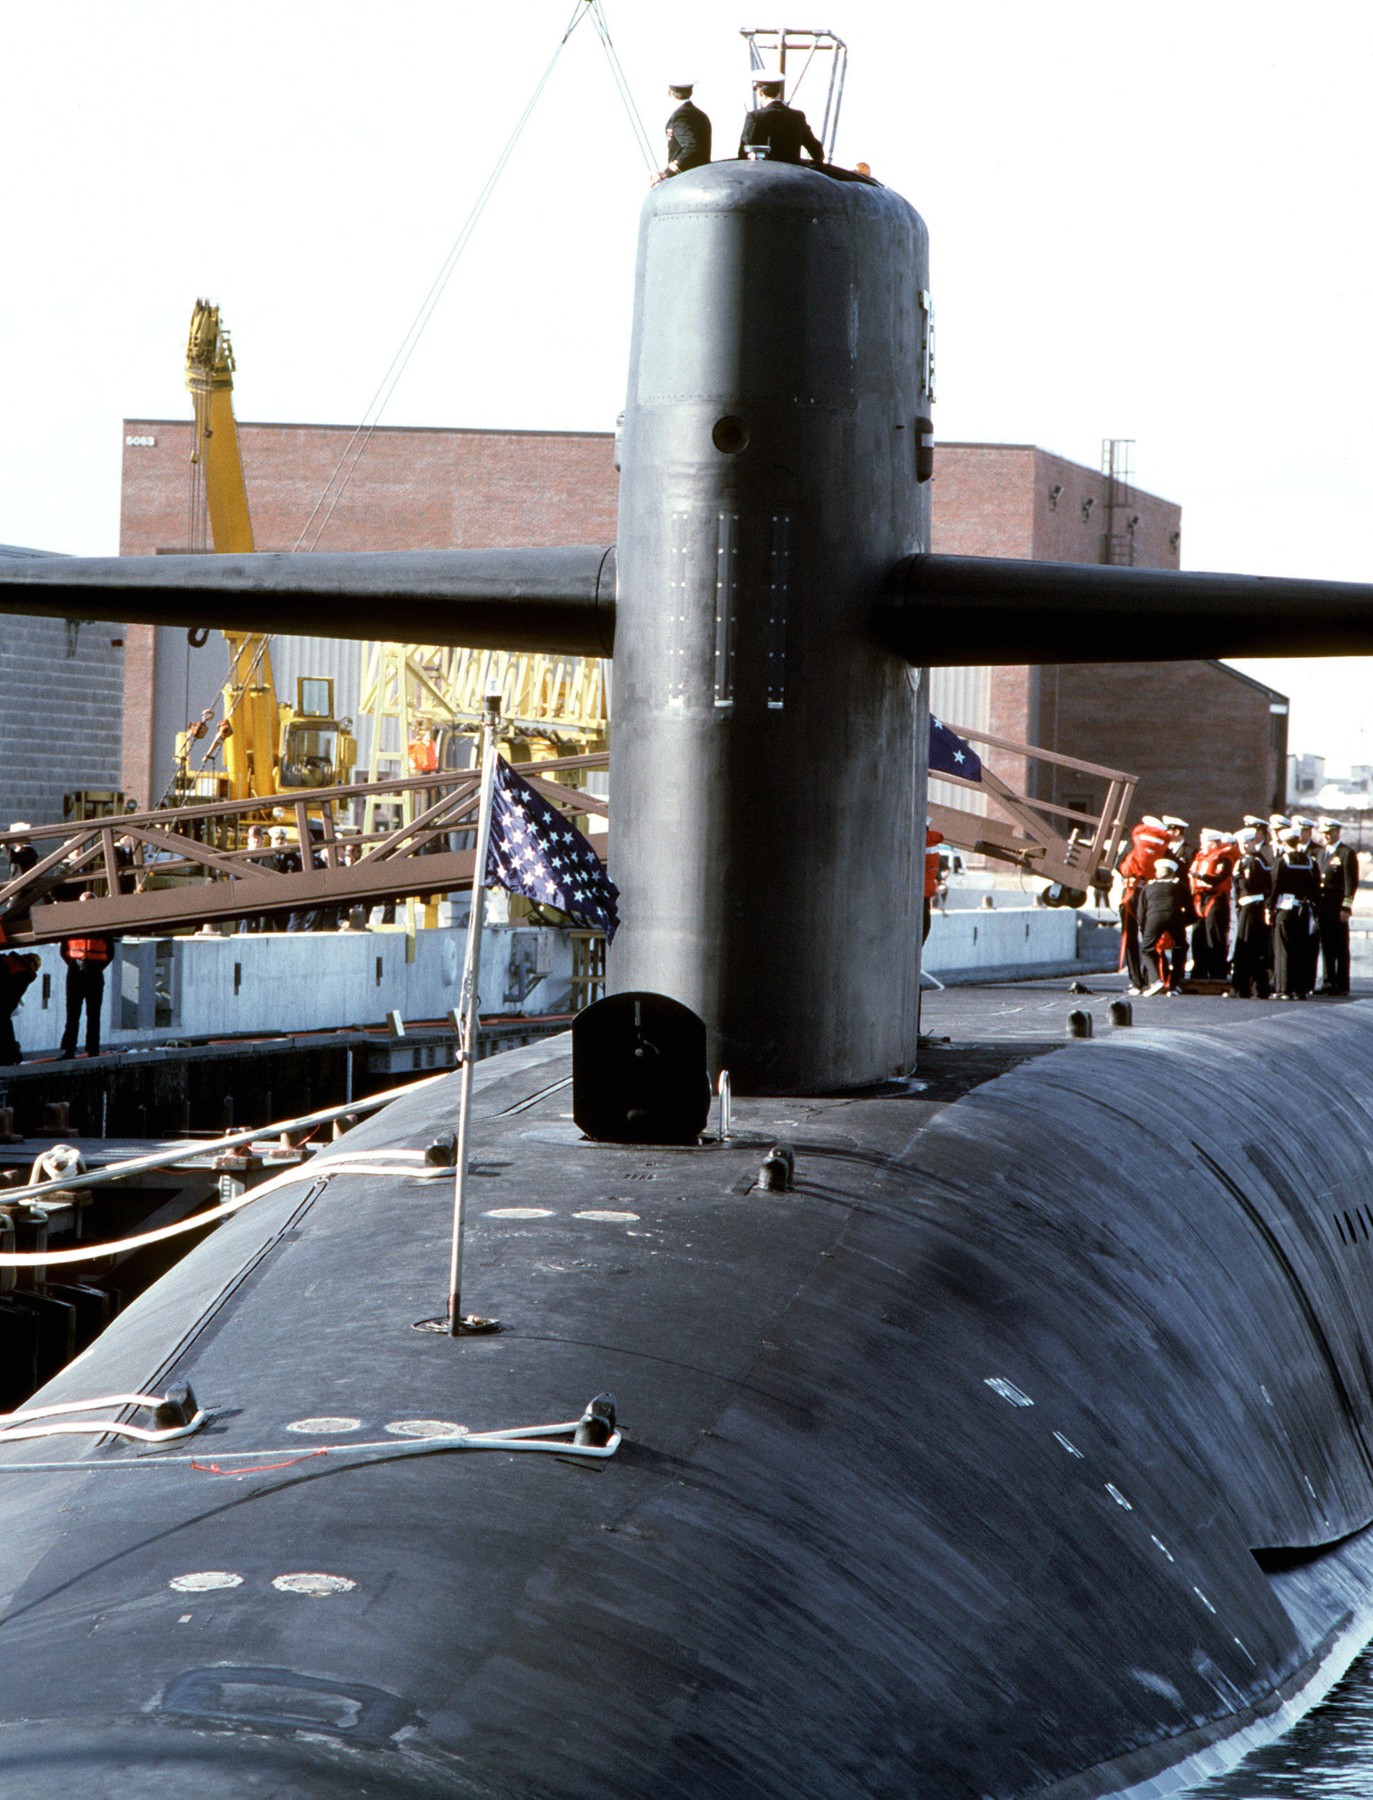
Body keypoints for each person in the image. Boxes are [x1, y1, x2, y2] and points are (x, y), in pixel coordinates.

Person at [1116, 816, 1167, 993]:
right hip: (1151, 893)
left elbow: (1118, 864)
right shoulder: (1162, 846)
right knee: (1150, 937)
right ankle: (1151, 977)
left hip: (1130, 892)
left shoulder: (1135, 842)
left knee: (1129, 937)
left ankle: (1135, 981)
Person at [59, 893, 112, 1058]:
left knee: (93, 1013)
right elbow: (63, 950)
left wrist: (95, 966)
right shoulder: (71, 922)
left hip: (94, 971)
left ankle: (93, 1049)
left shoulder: (104, 925)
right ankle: (69, 1050)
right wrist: (75, 965)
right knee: (72, 1013)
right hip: (76, 969)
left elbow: (110, 953)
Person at [1270, 829, 1320, 1000]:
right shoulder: (1310, 861)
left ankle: (1283, 988)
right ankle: (1299, 989)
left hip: (1286, 909)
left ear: (1284, 843)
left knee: (1283, 948)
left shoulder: (1282, 861)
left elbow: (1275, 887)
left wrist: (1269, 908)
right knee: (1300, 949)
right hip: (1304, 909)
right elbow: (1315, 888)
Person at [738, 71, 825, 165]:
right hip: (792, 174)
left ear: (760, 93)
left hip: (764, 173)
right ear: (778, 92)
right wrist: (818, 159)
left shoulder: (754, 117)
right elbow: (816, 151)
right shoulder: (798, 117)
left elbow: (743, 152)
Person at [1316, 818, 1359, 994]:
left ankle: (1342, 985)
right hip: (1323, 906)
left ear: (1337, 832)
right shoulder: (1321, 854)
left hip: (1337, 907)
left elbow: (1351, 883)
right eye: (1324, 833)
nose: (1326, 836)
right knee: (1326, 946)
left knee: (1340, 946)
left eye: (1329, 832)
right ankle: (1328, 982)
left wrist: (1346, 907)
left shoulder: (1346, 854)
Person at [1229, 828, 1272, 998]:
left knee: (1246, 947)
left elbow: (1247, 886)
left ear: (1253, 842)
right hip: (1250, 906)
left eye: (1247, 843)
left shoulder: (1253, 862)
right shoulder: (1252, 860)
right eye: (1241, 843)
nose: (1243, 846)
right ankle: (1253, 987)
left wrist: (1237, 875)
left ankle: (1243, 988)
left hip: (1252, 906)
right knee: (1252, 948)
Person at [1187, 829, 1235, 981]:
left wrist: (1200, 876)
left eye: (1204, 842)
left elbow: (1218, 879)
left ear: (1213, 844)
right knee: (1198, 934)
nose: (1201, 846)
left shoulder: (1224, 860)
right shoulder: (1200, 857)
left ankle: (1217, 973)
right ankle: (1199, 970)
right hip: (1200, 899)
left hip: (1216, 899)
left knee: (1214, 936)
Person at [1138, 857, 1185, 996]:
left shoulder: (1149, 886)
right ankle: (1174, 984)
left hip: (1154, 918)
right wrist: (1185, 922)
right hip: (1175, 917)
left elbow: (1141, 911)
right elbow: (1189, 906)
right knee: (1180, 947)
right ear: (1172, 873)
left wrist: (1144, 928)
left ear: (1157, 873)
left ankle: (1155, 980)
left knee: (1147, 949)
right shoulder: (1179, 885)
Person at [653, 83, 711, 184]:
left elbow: (691, 146)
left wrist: (667, 172)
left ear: (670, 93)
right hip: (703, 173)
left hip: (687, 177)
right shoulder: (700, 114)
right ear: (690, 92)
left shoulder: (680, 116)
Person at [0, 951, 40, 1064]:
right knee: (4, 1022)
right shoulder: (26, 974)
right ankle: (10, 1056)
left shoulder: (7, 959)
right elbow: (10, 998)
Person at [922, 819, 944, 944]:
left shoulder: (923, 842)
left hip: (921, 888)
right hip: (927, 888)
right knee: (925, 920)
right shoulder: (932, 842)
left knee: (923, 919)